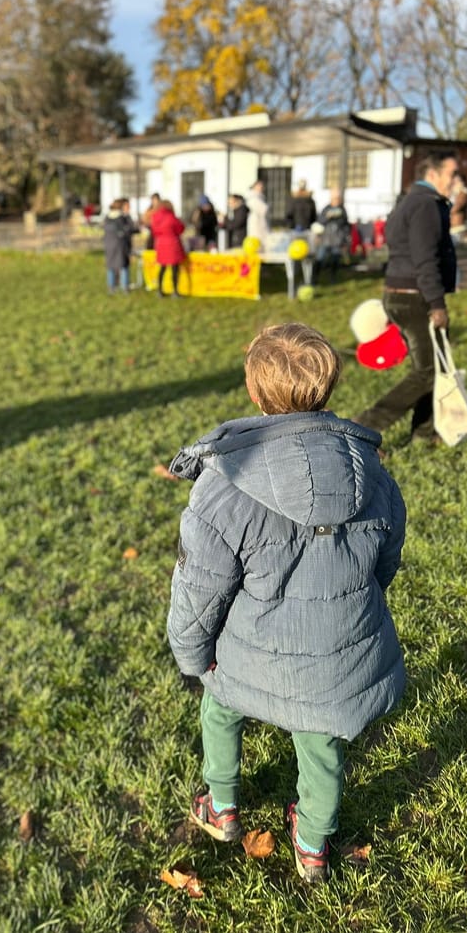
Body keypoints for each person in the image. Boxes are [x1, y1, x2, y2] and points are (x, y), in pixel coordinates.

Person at [166, 323, 406, 884]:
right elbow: (386, 558)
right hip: (335, 659)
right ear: (328, 388)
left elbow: (199, 589)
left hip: (247, 656)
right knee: (322, 739)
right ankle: (313, 842)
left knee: (220, 706)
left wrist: (192, 656)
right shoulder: (372, 473)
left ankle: (221, 806)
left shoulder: (223, 482)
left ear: (254, 392)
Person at [355, 151, 458, 445]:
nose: (455, 181)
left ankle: (424, 433)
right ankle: (365, 426)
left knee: (434, 366)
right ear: (433, 175)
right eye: (451, 175)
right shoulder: (426, 206)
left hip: (400, 293)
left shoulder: (407, 202)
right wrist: (437, 303)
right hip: (416, 297)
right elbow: (425, 259)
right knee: (428, 371)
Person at [149, 198, 186, 296]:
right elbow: (180, 228)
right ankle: (175, 291)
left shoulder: (155, 217)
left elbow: (154, 232)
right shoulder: (171, 217)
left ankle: (160, 290)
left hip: (161, 244)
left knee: (162, 267)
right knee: (174, 268)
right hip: (172, 244)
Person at [312, 190, 351, 283]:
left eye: (338, 198)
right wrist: (327, 217)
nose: (336, 200)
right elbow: (320, 222)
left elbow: (346, 224)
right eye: (334, 198)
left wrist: (345, 238)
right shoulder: (326, 208)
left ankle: (332, 278)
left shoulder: (342, 209)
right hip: (325, 239)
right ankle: (314, 278)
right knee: (319, 259)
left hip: (337, 240)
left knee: (335, 260)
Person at [103, 197, 138, 293]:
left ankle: (111, 287)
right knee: (124, 265)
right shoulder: (123, 217)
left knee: (111, 266)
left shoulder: (107, 217)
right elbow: (131, 229)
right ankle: (125, 287)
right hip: (121, 245)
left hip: (109, 244)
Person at [246, 179, 270, 248]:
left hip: (261, 223)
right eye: (259, 186)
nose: (261, 188)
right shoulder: (252, 197)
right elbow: (263, 209)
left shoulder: (260, 197)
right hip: (256, 223)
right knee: (256, 244)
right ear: (254, 186)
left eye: (262, 186)